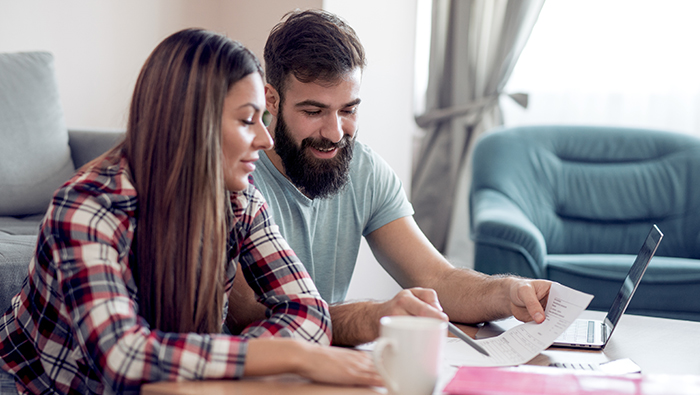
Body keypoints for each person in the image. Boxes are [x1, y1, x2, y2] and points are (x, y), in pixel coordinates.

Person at [0, 29, 382, 395]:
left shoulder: (240, 199)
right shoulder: (87, 207)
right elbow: (123, 357)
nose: (266, 139)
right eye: (248, 119)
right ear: (193, 123)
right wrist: (284, 353)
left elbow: (308, 313)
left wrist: (232, 369)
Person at [226, 9, 553, 346]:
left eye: (349, 110)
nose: (336, 133)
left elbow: (437, 277)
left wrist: (509, 293)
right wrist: (372, 317)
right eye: (313, 112)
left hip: (326, 363)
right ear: (272, 100)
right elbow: (253, 316)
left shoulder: (364, 171)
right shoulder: (238, 180)